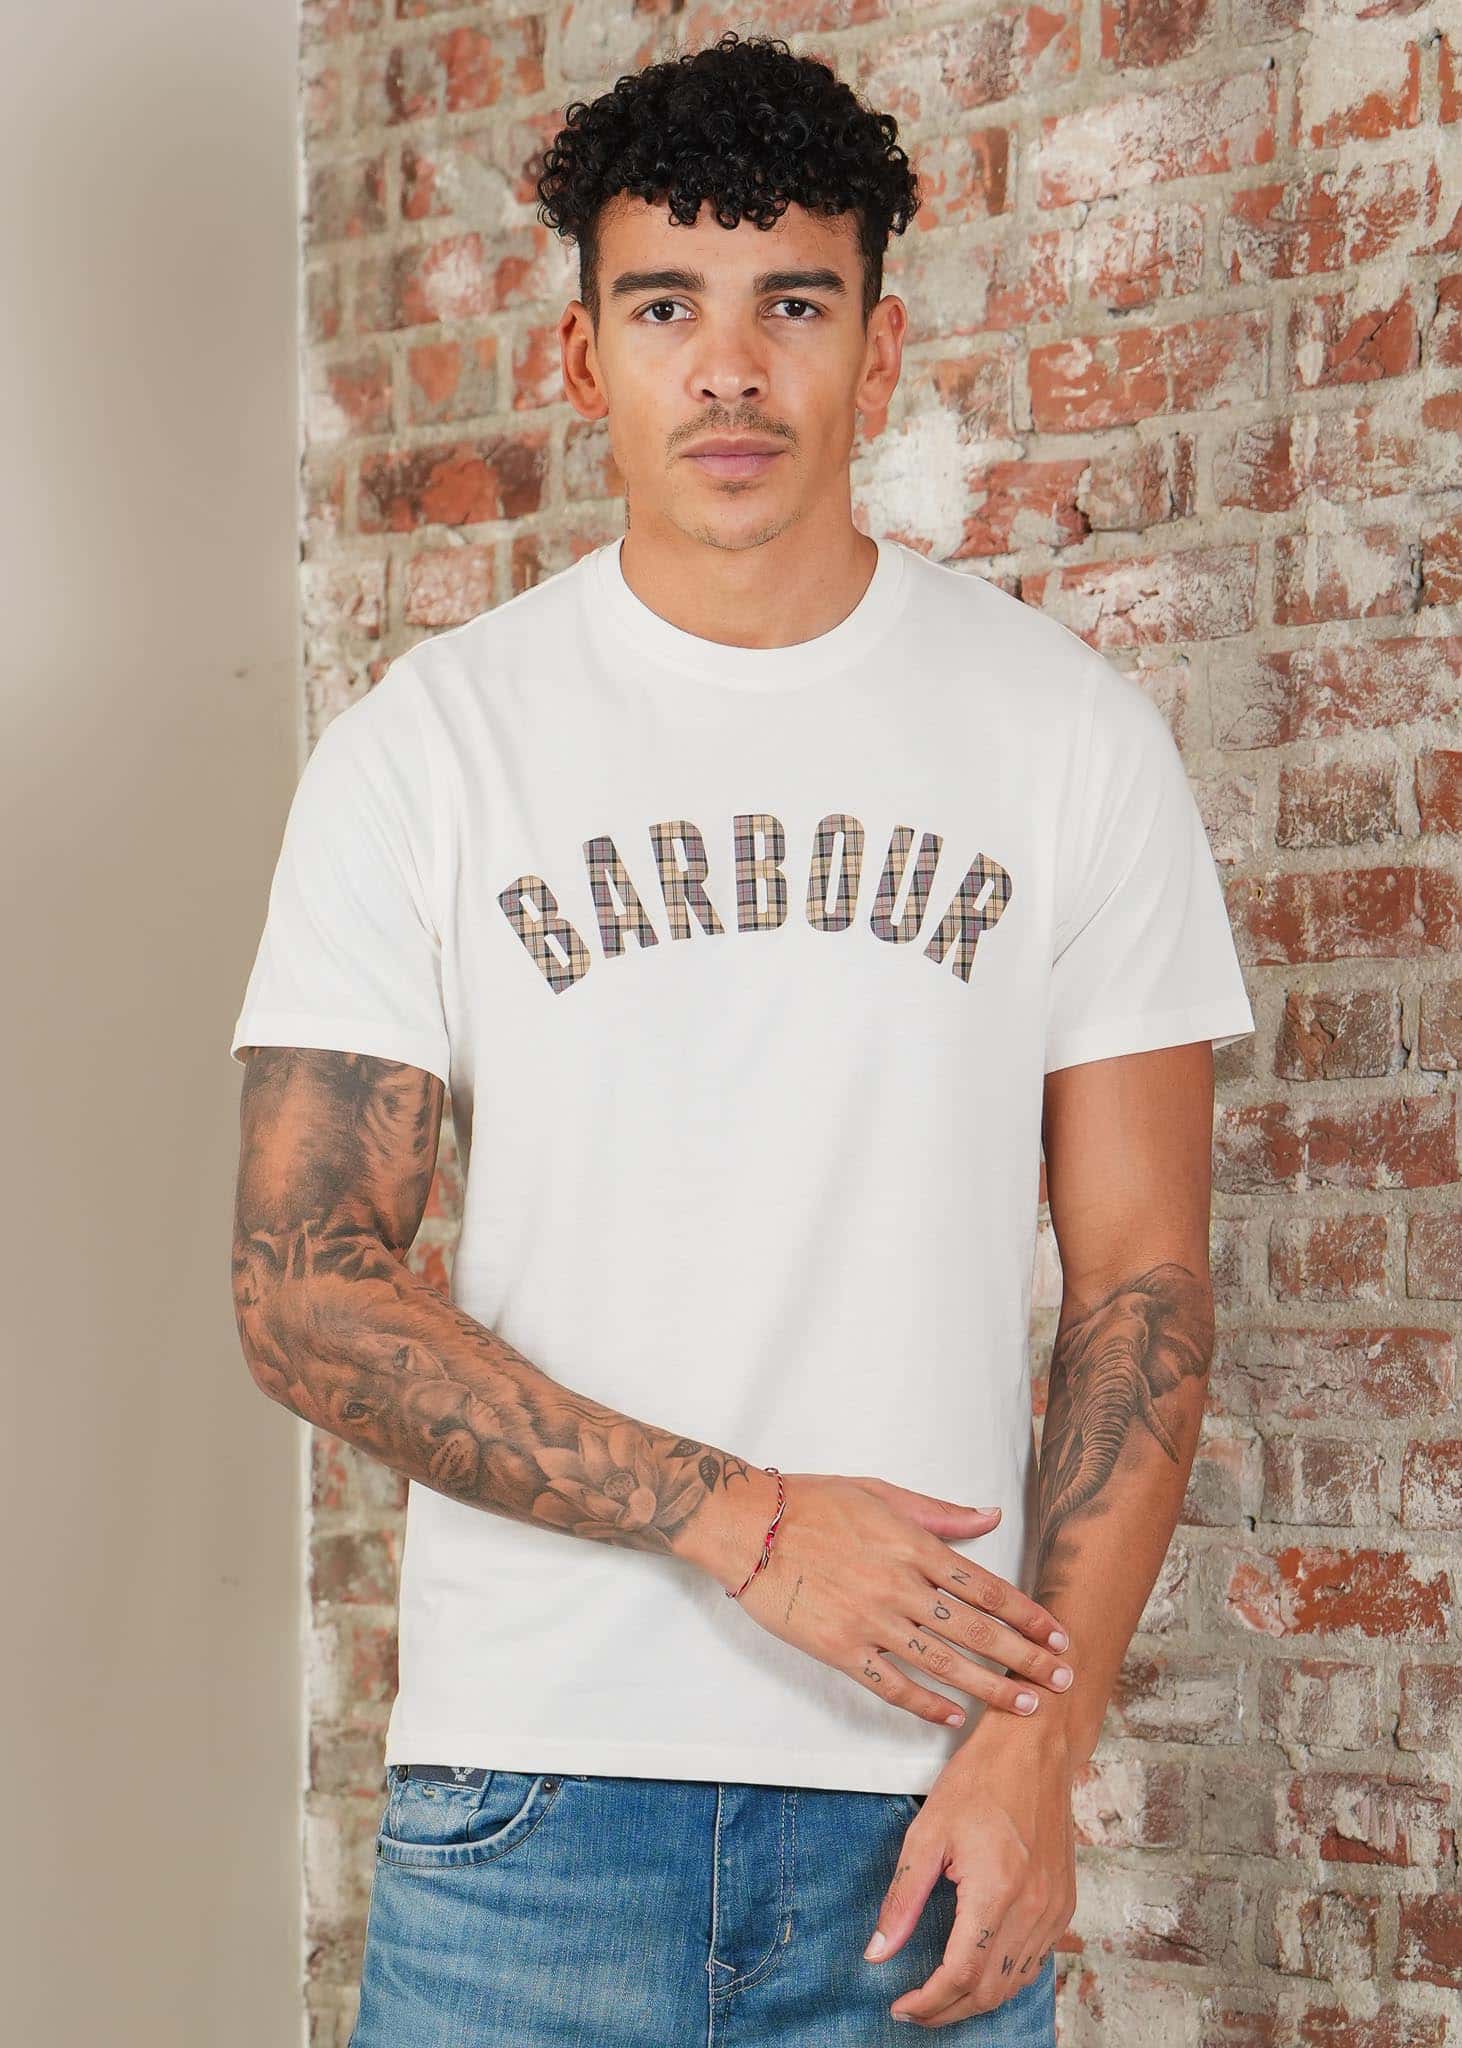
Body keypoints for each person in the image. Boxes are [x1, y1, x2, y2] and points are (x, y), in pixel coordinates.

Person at [229, 29, 1254, 2044]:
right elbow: (301, 1284)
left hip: (927, 1813)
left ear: (879, 347)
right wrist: (747, 1523)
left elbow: (1141, 1285)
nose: (726, 369)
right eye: (662, 307)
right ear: (579, 353)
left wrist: (1036, 1752)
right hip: (530, 1805)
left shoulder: (1065, 739)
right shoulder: (427, 750)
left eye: (790, 304)